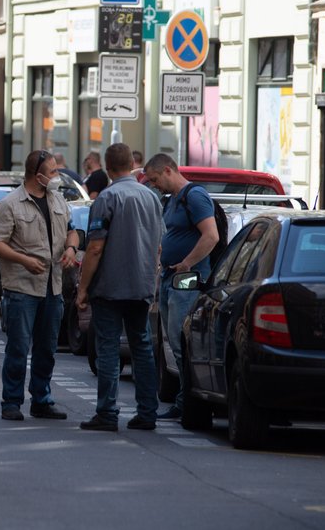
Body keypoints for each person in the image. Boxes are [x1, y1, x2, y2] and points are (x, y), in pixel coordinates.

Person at [76, 143, 162, 432]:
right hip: (142, 285)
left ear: (109, 168)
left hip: (111, 287)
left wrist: (82, 288)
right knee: (142, 348)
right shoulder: (151, 197)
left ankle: (107, 413)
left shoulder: (108, 197)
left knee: (109, 349)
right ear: (131, 164)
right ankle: (148, 413)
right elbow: (158, 246)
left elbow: (96, 247)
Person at [0, 149, 79, 421]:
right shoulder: (10, 204)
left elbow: (72, 229)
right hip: (22, 287)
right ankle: (11, 402)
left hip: (53, 286)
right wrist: (24, 260)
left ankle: (41, 399)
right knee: (18, 347)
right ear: (37, 176)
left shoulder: (58, 200)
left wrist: (72, 248)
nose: (56, 177)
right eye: (52, 172)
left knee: (47, 348)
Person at [142, 153, 220, 420]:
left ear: (167, 170)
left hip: (186, 280)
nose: (154, 185)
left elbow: (211, 236)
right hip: (171, 278)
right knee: (174, 342)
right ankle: (183, 400)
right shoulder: (172, 200)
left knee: (181, 342)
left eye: (154, 179)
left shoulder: (194, 196)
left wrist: (186, 263)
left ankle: (190, 403)